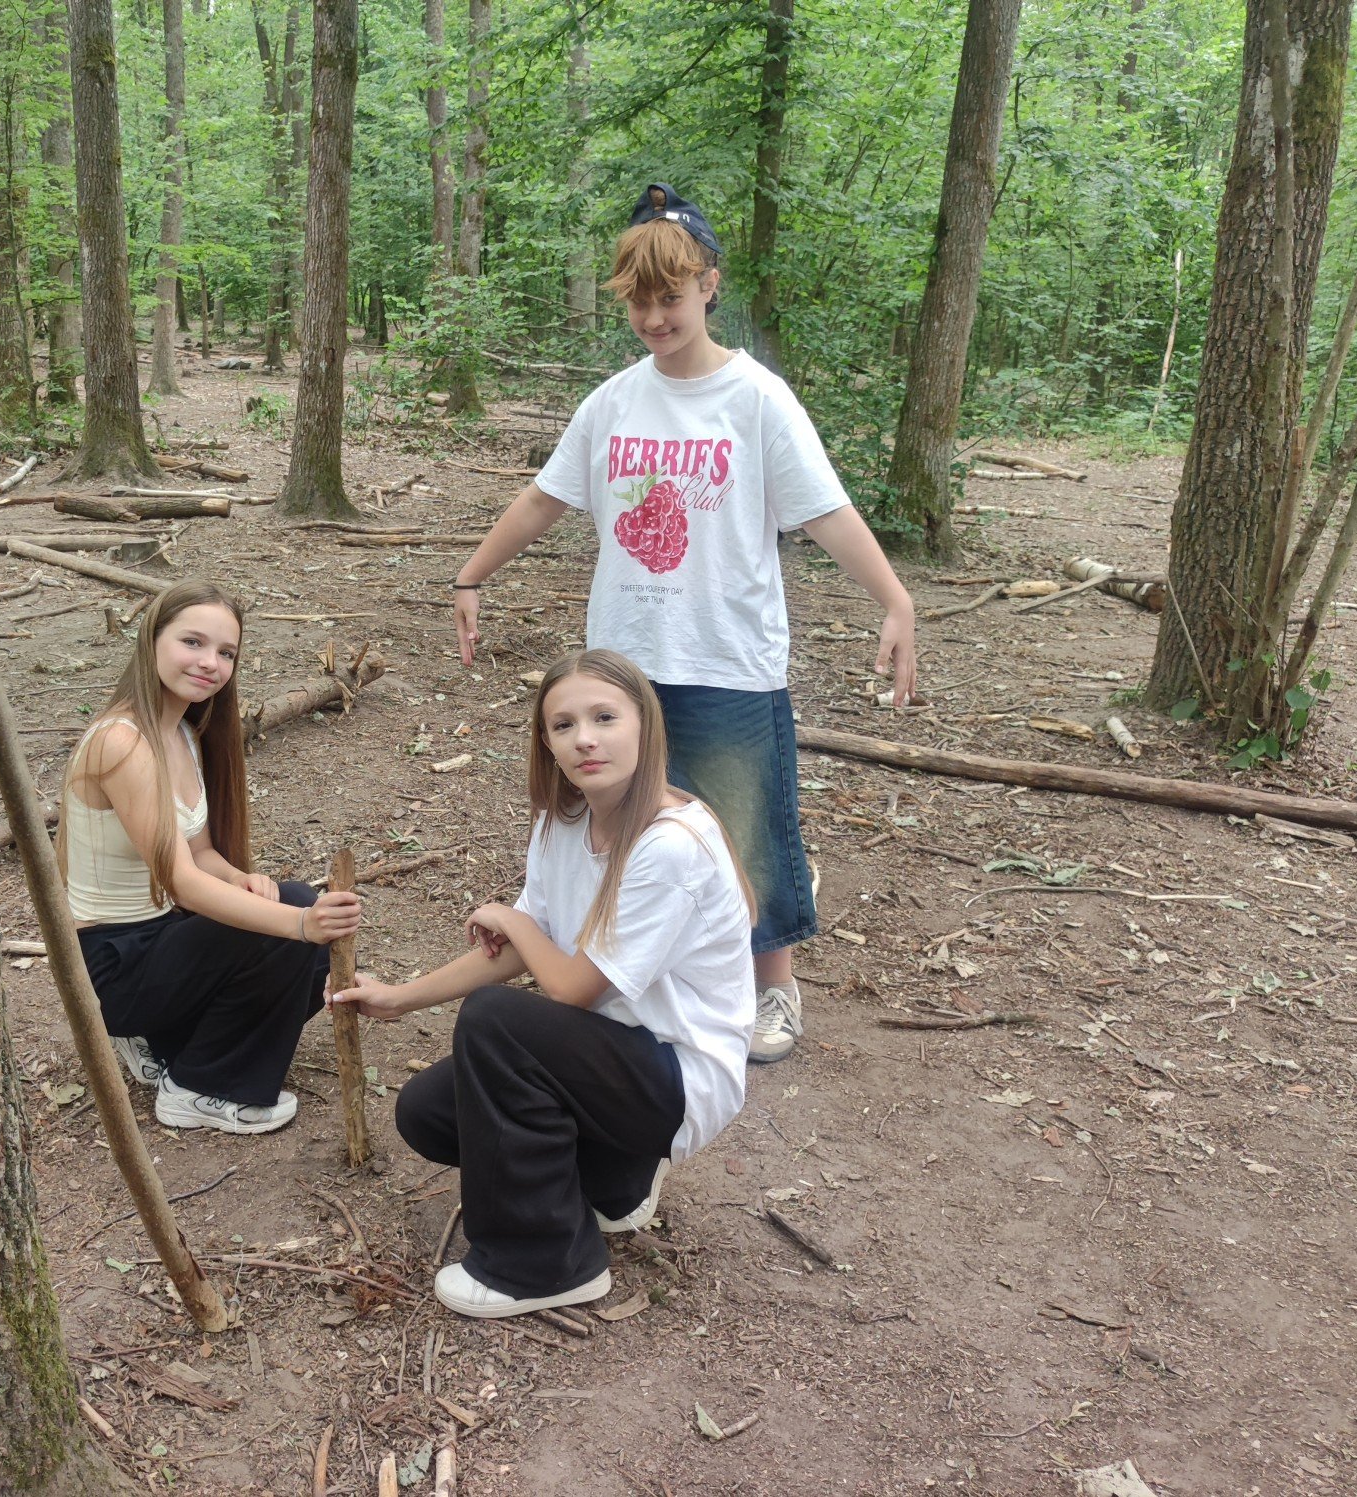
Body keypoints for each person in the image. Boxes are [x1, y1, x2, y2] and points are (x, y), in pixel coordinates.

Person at [450, 183, 918, 1066]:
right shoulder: (613, 403)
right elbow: (545, 498)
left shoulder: (756, 399)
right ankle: (614, 964)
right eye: (638, 300)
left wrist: (896, 600)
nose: (654, 317)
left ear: (709, 285)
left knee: (745, 824)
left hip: (727, 657)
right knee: (623, 818)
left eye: (671, 296)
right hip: (624, 664)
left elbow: (826, 511)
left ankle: (772, 986)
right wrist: (473, 572)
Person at [334, 650, 755, 1318]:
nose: (585, 738)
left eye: (605, 717)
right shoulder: (563, 820)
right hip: (609, 1054)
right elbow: (519, 946)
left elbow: (570, 988)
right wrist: (398, 997)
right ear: (546, 742)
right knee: (429, 1111)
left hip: (679, 1072)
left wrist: (511, 920)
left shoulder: (672, 844)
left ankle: (546, 1265)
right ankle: (614, 1176)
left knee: (495, 1022)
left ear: (646, 726)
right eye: (564, 724)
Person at [60, 580, 361, 1133]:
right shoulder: (122, 742)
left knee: (301, 926)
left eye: (226, 652)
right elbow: (181, 882)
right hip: (114, 962)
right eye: (192, 642)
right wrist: (297, 923)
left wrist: (241, 878)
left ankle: (169, 1043)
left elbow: (199, 853)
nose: (210, 663)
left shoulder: (181, 732)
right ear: (152, 639)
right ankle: (198, 1088)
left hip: (161, 937)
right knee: (291, 927)